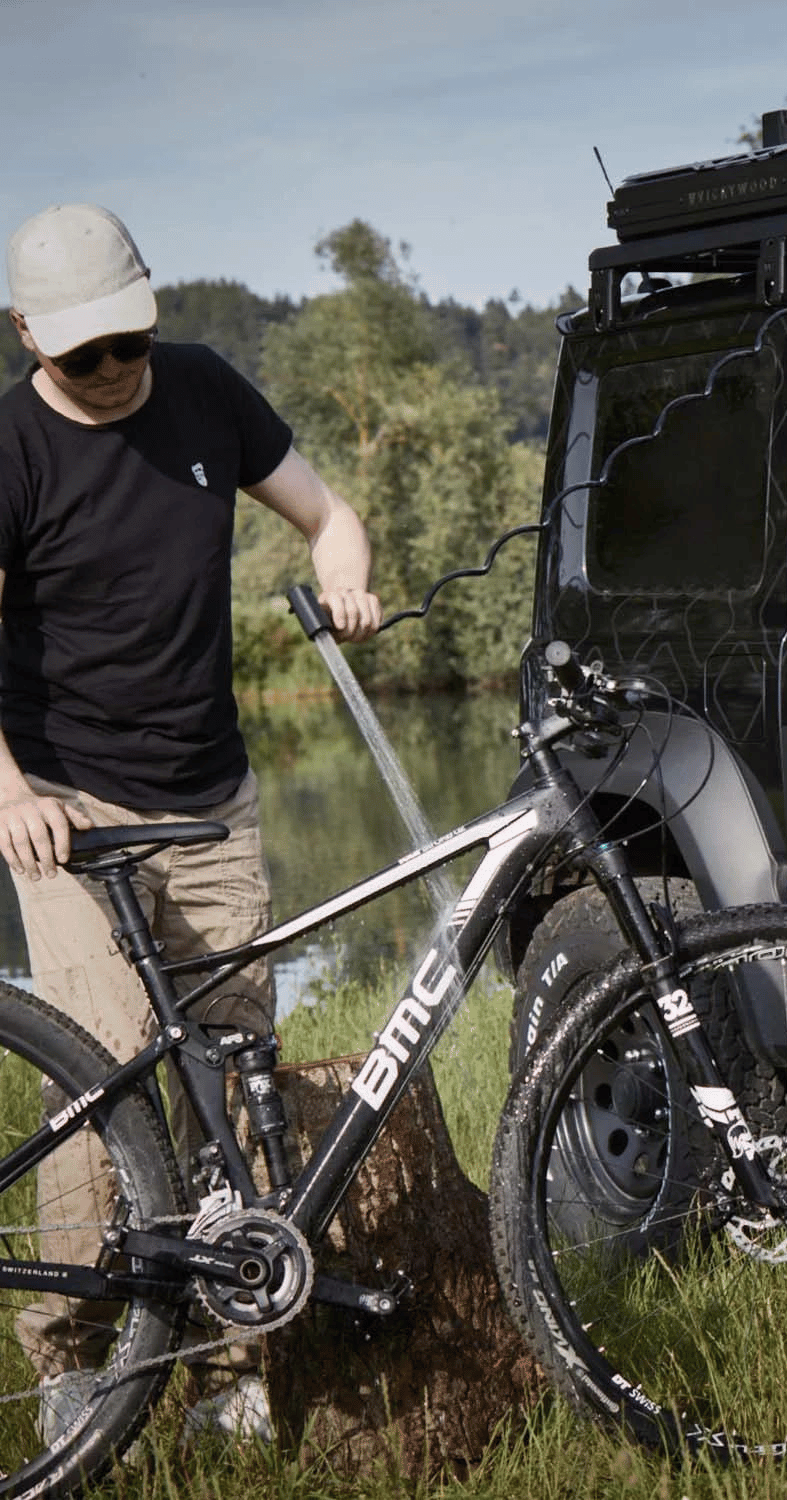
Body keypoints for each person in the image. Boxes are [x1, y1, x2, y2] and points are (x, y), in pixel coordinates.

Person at [0, 202, 381, 1442]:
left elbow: (327, 512)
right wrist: (12, 794)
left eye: (130, 341)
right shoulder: (9, 448)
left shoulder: (208, 391)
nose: (113, 373)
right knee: (105, 1102)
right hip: (69, 810)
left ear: (154, 311)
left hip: (215, 803)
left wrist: (340, 568)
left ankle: (227, 1371)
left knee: (235, 1092)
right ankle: (69, 1355)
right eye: (81, 355)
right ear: (26, 339)